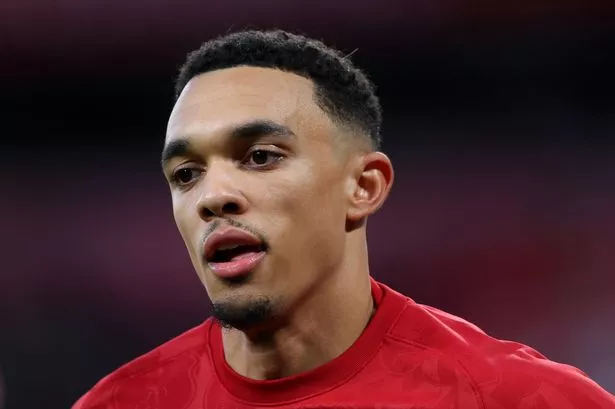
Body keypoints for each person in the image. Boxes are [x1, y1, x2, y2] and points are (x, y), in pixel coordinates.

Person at [72, 29, 614, 408]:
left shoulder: (518, 398)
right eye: (186, 173)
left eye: (260, 156)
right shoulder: (120, 402)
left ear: (363, 186)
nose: (212, 196)